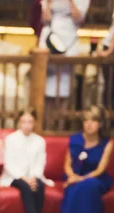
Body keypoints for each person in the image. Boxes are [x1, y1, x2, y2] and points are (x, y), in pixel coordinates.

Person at [59, 106, 114, 213]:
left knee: (90, 185)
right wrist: (72, 176)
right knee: (74, 188)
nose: (89, 124)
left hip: (96, 178)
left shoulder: (107, 143)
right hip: (74, 176)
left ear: (100, 124)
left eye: (94, 120)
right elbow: (67, 165)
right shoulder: (74, 139)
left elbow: (100, 170)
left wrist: (79, 179)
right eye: (86, 120)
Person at [0, 108, 50, 213]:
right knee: (26, 187)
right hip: (14, 176)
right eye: (24, 121)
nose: (27, 125)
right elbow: (8, 164)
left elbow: (41, 162)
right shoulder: (10, 139)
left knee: (39, 186)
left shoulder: (40, 141)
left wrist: (34, 177)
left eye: (30, 122)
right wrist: (24, 178)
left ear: (34, 123)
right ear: (19, 122)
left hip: (33, 176)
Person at [39, 0, 89, 129]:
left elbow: (79, 19)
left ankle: (60, 126)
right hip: (51, 37)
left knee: (65, 87)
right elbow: (45, 18)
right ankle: (46, 126)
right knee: (47, 87)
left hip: (69, 38)